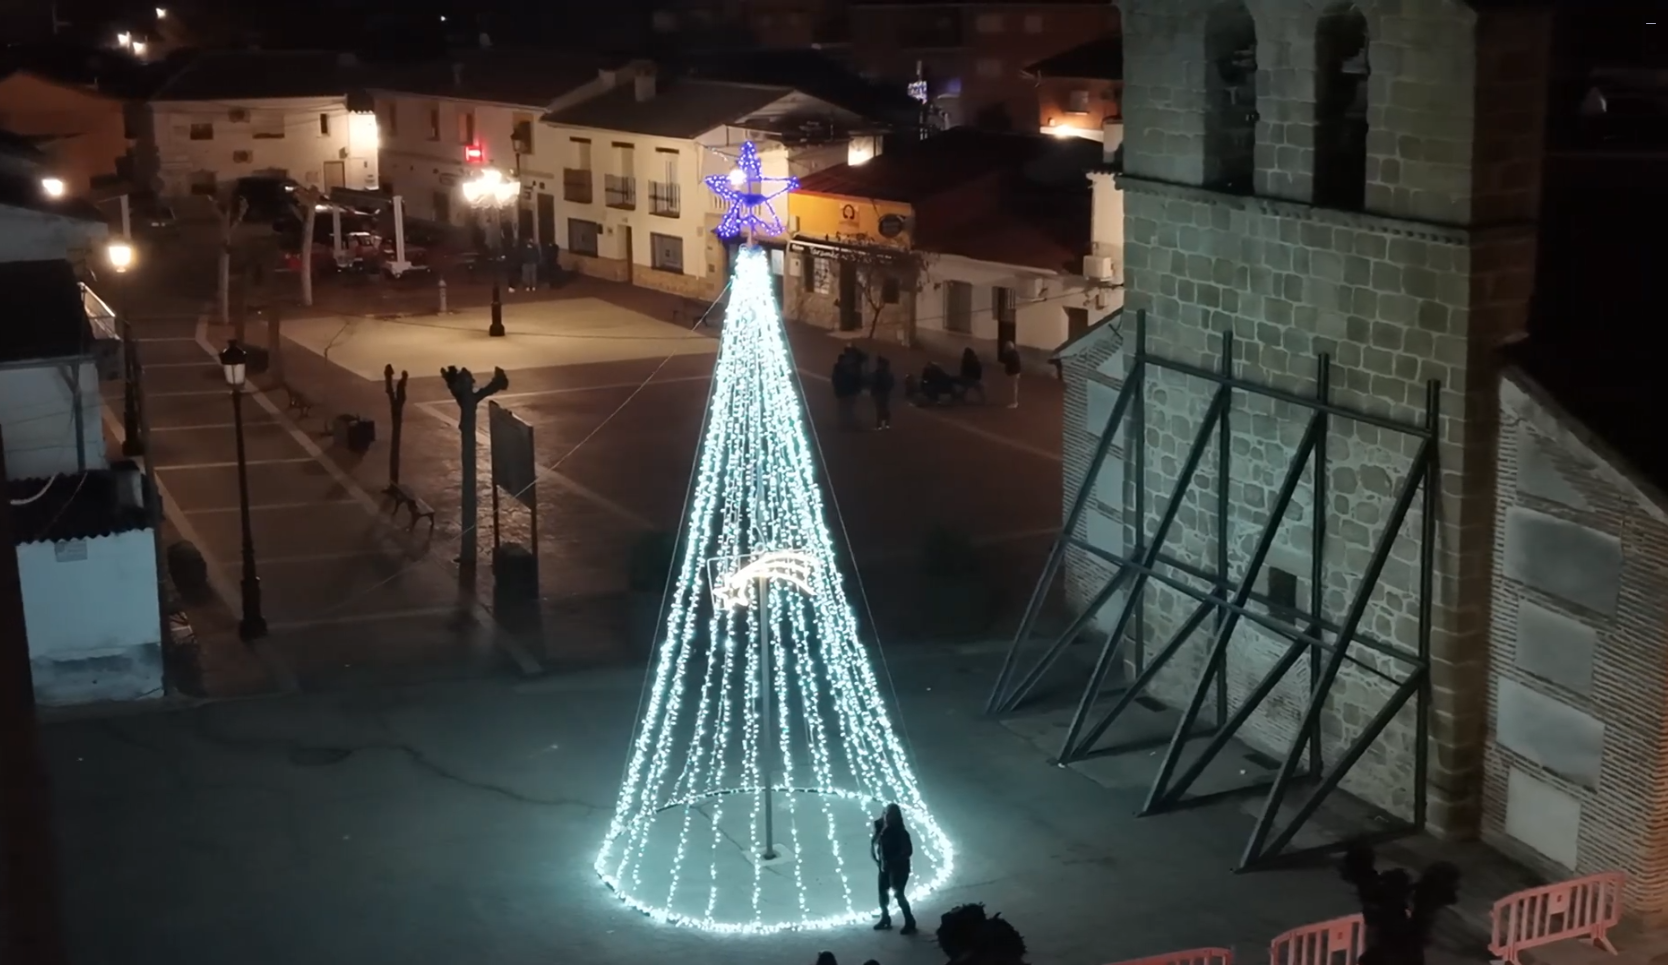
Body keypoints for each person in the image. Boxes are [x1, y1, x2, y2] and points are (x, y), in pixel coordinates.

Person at [871, 802, 916, 934]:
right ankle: (885, 917)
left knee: (898, 894)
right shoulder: (881, 828)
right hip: (884, 867)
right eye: (886, 814)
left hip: (898, 869)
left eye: (891, 815)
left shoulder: (901, 833)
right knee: (882, 893)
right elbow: (875, 844)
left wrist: (892, 861)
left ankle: (909, 920)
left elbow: (907, 852)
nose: (888, 817)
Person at [871, 357, 895, 430]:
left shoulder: (881, 374)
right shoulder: (884, 374)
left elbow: (875, 383)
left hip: (881, 393)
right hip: (882, 393)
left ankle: (881, 424)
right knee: (882, 408)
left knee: (881, 409)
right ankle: (883, 424)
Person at [999, 341, 1022, 409]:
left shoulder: (1010, 354)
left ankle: (1014, 402)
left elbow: (1005, 361)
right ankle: (1014, 401)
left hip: (1013, 373)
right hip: (1016, 372)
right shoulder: (1015, 353)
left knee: (1013, 388)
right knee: (1014, 387)